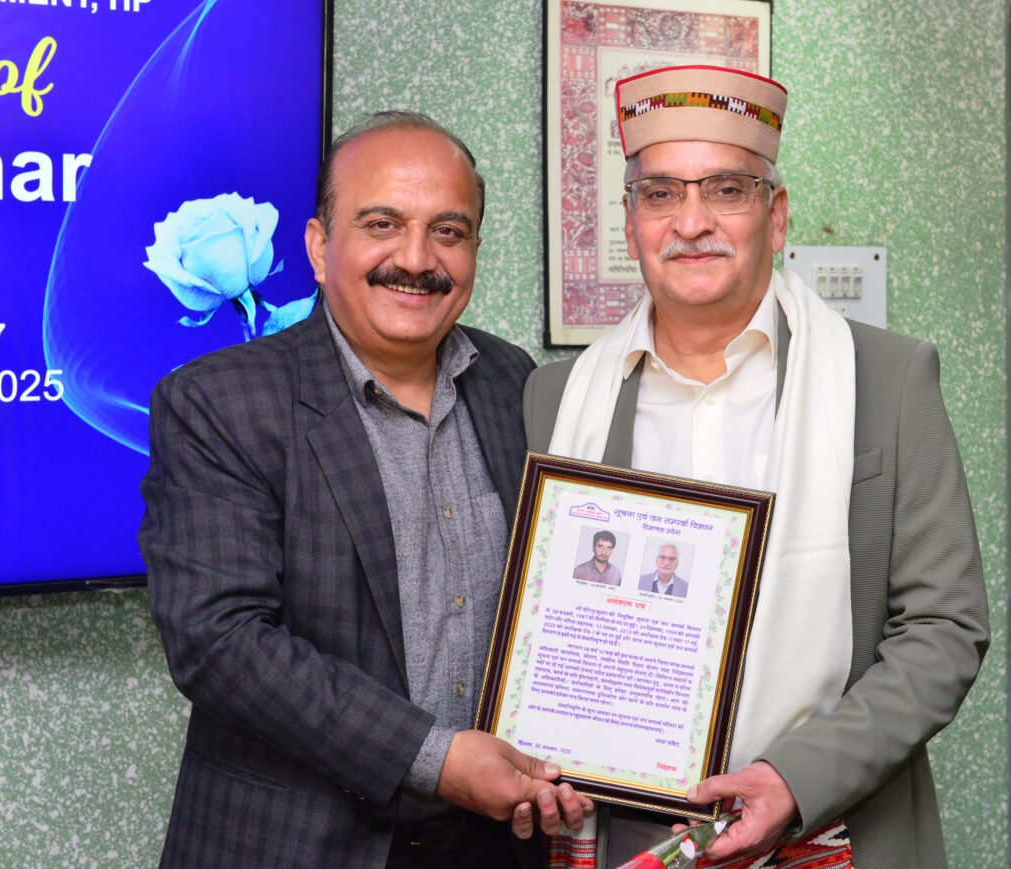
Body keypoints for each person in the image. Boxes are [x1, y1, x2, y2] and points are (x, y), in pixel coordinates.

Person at [524, 66, 988, 869]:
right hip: (625, 837)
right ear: (631, 223)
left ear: (775, 217)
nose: (691, 222)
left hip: (833, 831)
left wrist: (795, 778)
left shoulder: (887, 380)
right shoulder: (555, 397)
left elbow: (944, 628)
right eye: (661, 194)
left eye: (726, 190)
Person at [140, 111, 591, 869]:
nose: (416, 258)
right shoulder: (218, 402)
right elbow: (220, 642)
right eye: (382, 224)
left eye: (448, 231)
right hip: (297, 846)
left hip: (494, 843)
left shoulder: (514, 382)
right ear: (320, 247)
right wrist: (434, 758)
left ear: (474, 251)